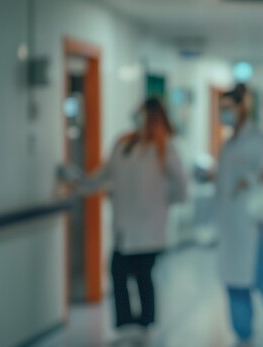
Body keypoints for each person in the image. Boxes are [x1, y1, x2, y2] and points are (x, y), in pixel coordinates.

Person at [66, 97, 187, 342]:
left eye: (144, 114)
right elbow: (102, 174)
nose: (139, 118)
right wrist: (80, 183)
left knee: (143, 277)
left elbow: (181, 185)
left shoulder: (165, 148)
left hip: (150, 227)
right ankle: (126, 324)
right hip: (125, 226)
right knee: (118, 273)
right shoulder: (123, 145)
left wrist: (162, 202)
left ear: (155, 118)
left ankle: (145, 324)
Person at [214, 83, 263, 347]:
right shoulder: (228, 144)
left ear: (242, 108)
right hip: (229, 226)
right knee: (233, 281)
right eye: (222, 109)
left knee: (261, 282)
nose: (224, 114)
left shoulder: (257, 140)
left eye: (229, 108)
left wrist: (251, 179)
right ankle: (242, 336)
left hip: (252, 227)